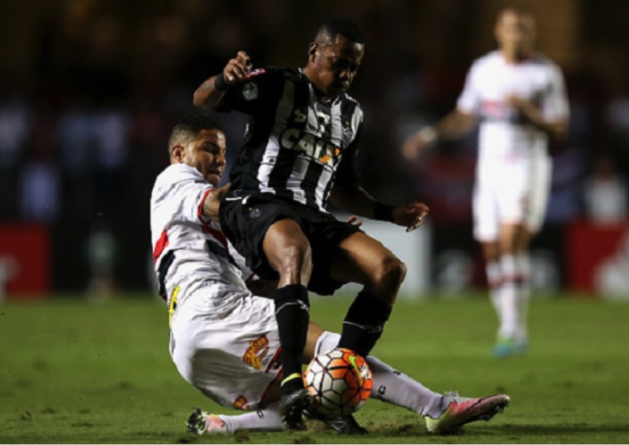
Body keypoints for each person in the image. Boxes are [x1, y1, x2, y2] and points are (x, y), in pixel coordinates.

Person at [150, 115, 510, 436]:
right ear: (179, 153)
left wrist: (317, 245)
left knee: (302, 398)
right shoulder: (176, 178)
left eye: (223, 151)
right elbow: (216, 202)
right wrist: (269, 188)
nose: (219, 159)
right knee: (334, 353)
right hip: (216, 308)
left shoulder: (215, 231)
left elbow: (263, 283)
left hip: (188, 344)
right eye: (209, 149)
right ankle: (436, 407)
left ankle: (222, 425)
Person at [193, 17, 429, 426]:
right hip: (258, 201)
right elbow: (203, 100)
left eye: (353, 67)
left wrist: (392, 213)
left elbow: (345, 188)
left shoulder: (353, 115)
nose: (345, 75)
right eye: (338, 63)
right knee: (294, 249)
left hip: (313, 214)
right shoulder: (277, 84)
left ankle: (334, 387)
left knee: (389, 269)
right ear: (313, 53)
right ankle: (292, 381)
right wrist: (223, 79)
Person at [403, 8, 569, 357]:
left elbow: (560, 127)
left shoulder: (545, 73)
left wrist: (530, 113)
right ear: (499, 31)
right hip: (490, 169)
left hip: (527, 165)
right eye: (511, 28)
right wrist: (430, 135)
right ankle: (508, 323)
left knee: (511, 241)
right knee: (492, 247)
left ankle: (513, 329)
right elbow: (465, 116)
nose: (517, 34)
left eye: (524, 28)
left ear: (532, 33)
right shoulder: (484, 69)